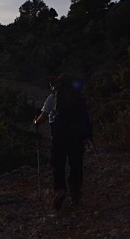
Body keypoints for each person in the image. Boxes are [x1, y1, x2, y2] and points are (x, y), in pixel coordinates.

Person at [34, 74, 89, 210]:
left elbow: (42, 119)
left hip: (59, 137)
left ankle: (60, 190)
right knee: (76, 164)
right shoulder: (79, 97)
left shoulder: (53, 98)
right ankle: (75, 190)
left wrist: (35, 121)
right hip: (77, 137)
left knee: (58, 165)